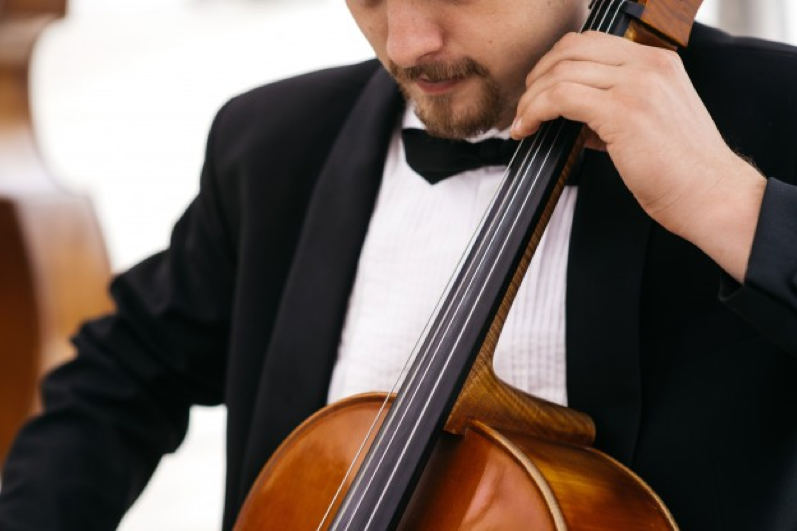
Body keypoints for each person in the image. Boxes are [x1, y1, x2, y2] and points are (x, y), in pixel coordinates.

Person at [1, 0, 797, 529]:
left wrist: (728, 202)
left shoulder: (773, 112)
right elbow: (120, 376)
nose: (408, 42)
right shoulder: (272, 142)